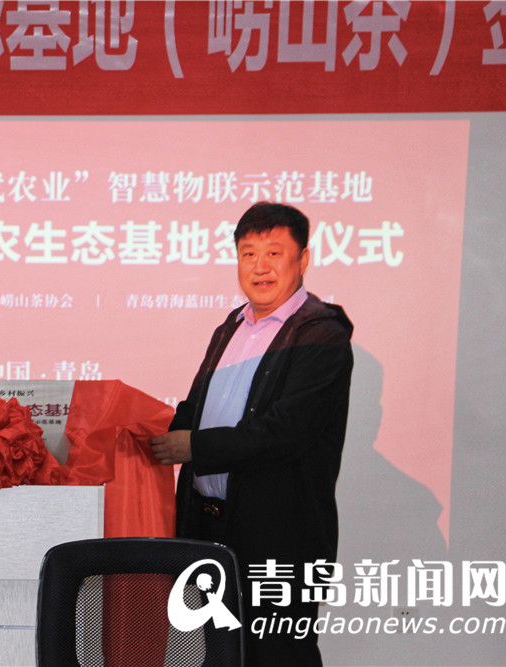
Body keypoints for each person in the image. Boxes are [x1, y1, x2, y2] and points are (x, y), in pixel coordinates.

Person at [150, 202, 354, 666]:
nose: (260, 267)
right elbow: (196, 407)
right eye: (248, 254)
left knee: (276, 656)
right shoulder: (232, 326)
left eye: (274, 253)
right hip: (208, 530)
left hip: (278, 537)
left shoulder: (321, 335)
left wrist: (193, 446)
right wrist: (152, 433)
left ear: (303, 260)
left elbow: (285, 432)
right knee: (211, 655)